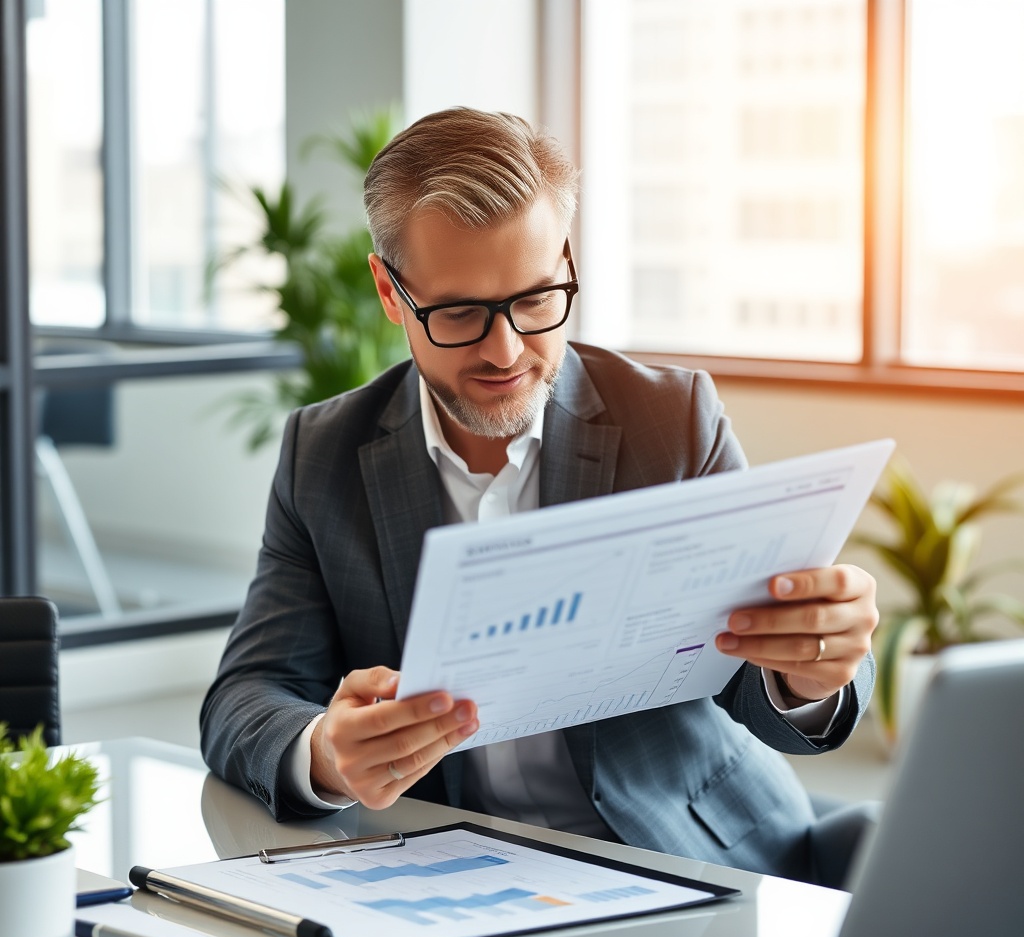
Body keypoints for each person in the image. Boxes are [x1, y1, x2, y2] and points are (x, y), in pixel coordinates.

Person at [201, 107, 878, 884]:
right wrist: (323, 750)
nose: (506, 350)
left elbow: (762, 687)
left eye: (535, 299)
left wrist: (808, 673)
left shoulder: (671, 419)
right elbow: (244, 697)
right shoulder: (321, 454)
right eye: (459, 313)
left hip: (682, 860)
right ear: (391, 293)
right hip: (456, 882)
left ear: (564, 259)